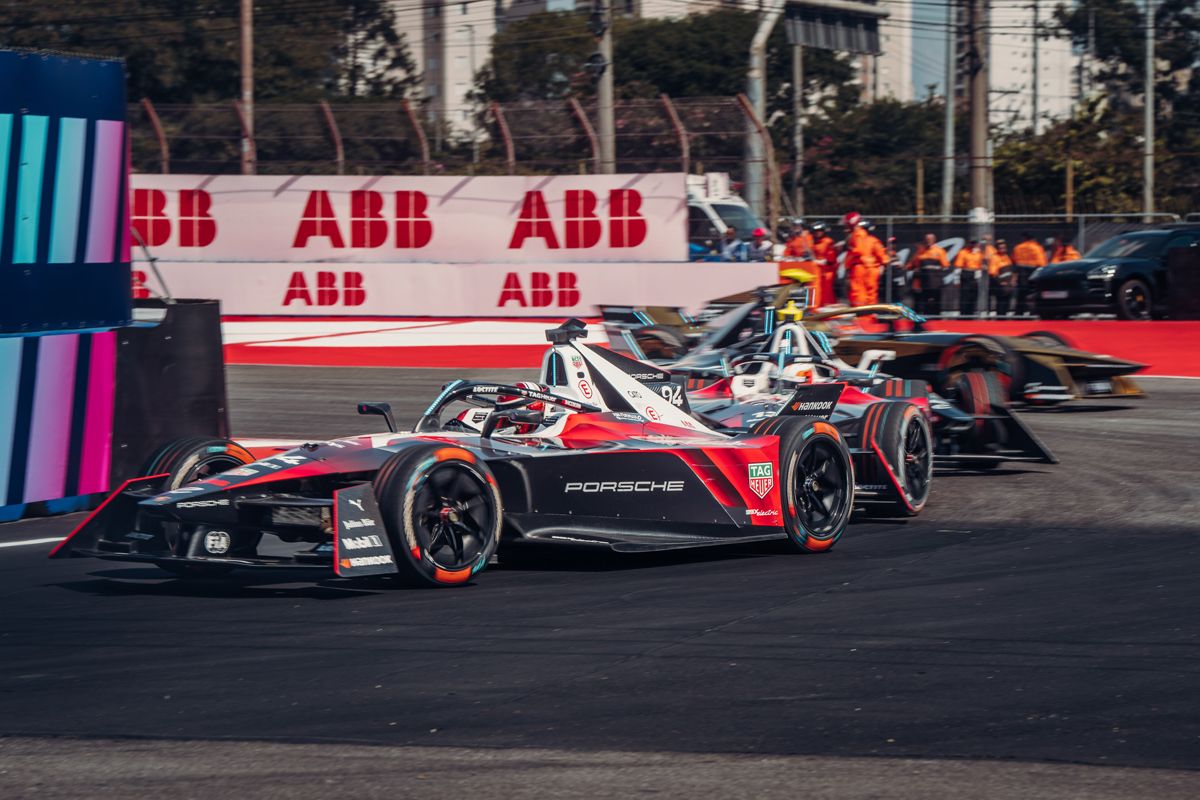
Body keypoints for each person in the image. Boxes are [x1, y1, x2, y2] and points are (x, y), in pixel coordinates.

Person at [907, 232, 949, 316]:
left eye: (930, 239)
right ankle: (925, 317)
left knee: (936, 300)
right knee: (923, 300)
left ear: (934, 240)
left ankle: (936, 318)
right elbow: (911, 265)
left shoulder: (939, 251)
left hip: (935, 281)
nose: (928, 241)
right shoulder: (920, 251)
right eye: (926, 239)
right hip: (923, 281)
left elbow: (945, 265)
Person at [1011, 232, 1047, 314]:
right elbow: (1042, 263)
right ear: (1033, 239)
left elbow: (1014, 261)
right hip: (1033, 272)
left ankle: (1019, 314)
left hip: (1021, 273)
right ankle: (1032, 313)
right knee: (1032, 295)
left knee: (1020, 296)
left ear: (1024, 238)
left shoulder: (1017, 248)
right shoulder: (1037, 248)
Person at [953, 240, 985, 315]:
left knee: (973, 296)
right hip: (966, 274)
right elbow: (958, 267)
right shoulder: (963, 252)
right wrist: (956, 280)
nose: (973, 245)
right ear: (968, 244)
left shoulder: (978, 253)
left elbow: (979, 266)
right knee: (965, 296)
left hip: (975, 275)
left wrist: (978, 278)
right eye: (971, 243)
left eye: (975, 243)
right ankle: (963, 315)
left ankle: (971, 315)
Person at [810, 222, 838, 307]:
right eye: (816, 231)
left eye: (820, 231)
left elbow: (831, 258)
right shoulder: (813, 242)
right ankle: (819, 306)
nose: (817, 233)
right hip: (817, 270)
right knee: (817, 290)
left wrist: (821, 262)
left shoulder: (828, 242)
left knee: (826, 291)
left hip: (827, 271)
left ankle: (828, 307)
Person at [989, 239, 1014, 315]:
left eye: (1004, 248)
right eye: (1001, 248)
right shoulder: (994, 257)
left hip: (1008, 284)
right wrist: (1000, 282)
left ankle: (1005, 320)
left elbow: (1010, 269)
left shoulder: (1007, 257)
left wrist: (1012, 280)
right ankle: (1000, 319)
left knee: (1007, 303)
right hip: (1000, 285)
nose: (1003, 250)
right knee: (1001, 304)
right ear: (997, 249)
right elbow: (992, 273)